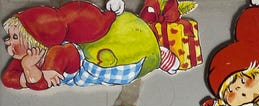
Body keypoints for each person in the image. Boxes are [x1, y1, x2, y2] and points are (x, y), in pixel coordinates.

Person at [2, 0, 178, 90]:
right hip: (83, 71)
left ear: (33, 38)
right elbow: (9, 79)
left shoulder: (58, 51)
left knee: (123, 57)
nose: (7, 42)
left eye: (14, 36)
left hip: (84, 66)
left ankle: (159, 56)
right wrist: (27, 66)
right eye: (10, 37)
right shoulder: (25, 58)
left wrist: (35, 69)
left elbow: (42, 83)